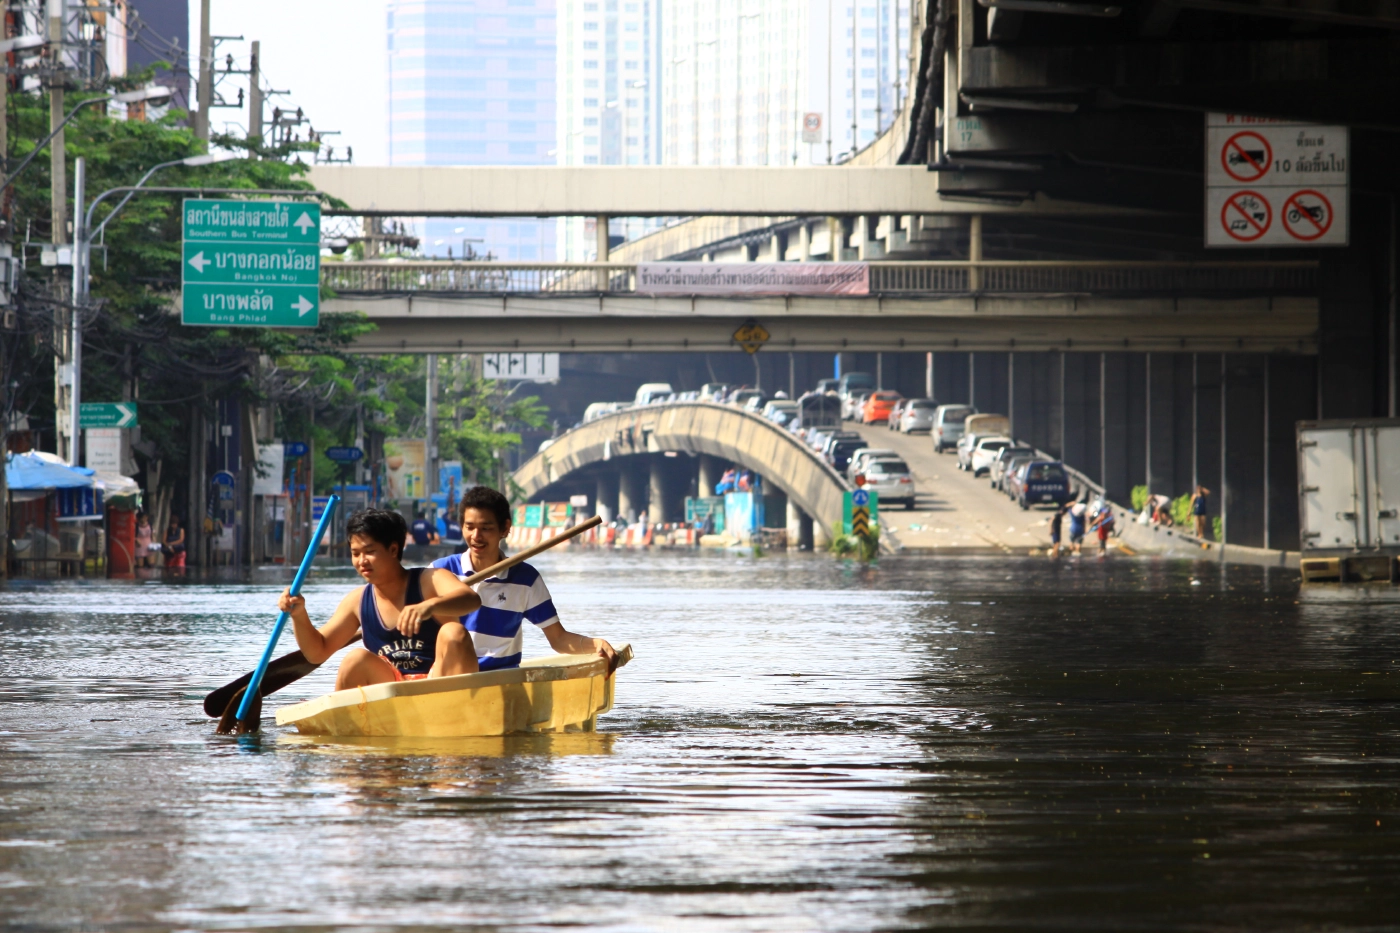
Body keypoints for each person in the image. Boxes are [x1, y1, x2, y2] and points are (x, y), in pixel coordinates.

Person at [279, 508, 483, 688]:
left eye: (370, 551)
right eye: (355, 553)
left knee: (453, 632)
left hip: (438, 683)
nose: (361, 561)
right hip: (391, 690)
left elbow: (470, 599)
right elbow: (317, 652)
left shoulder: (430, 580)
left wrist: (429, 606)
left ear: (393, 549)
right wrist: (299, 615)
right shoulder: (357, 601)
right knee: (355, 659)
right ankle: (347, 729)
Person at [432, 485, 617, 673]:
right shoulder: (439, 572)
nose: (476, 536)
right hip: (449, 677)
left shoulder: (526, 580)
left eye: (486, 528)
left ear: (505, 528)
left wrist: (596, 644)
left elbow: (559, 639)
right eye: (469, 527)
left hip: (499, 680)